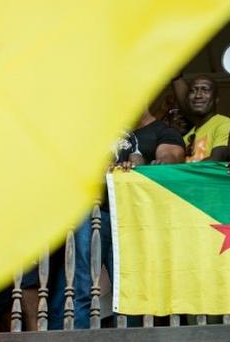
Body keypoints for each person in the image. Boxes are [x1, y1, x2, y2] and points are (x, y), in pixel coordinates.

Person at [46, 106, 185, 329]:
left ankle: (131, 336)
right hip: (94, 212)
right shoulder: (101, 130)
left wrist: (139, 168)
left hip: (132, 218)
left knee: (129, 285)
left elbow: (167, 160)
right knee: (79, 282)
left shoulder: (157, 132)